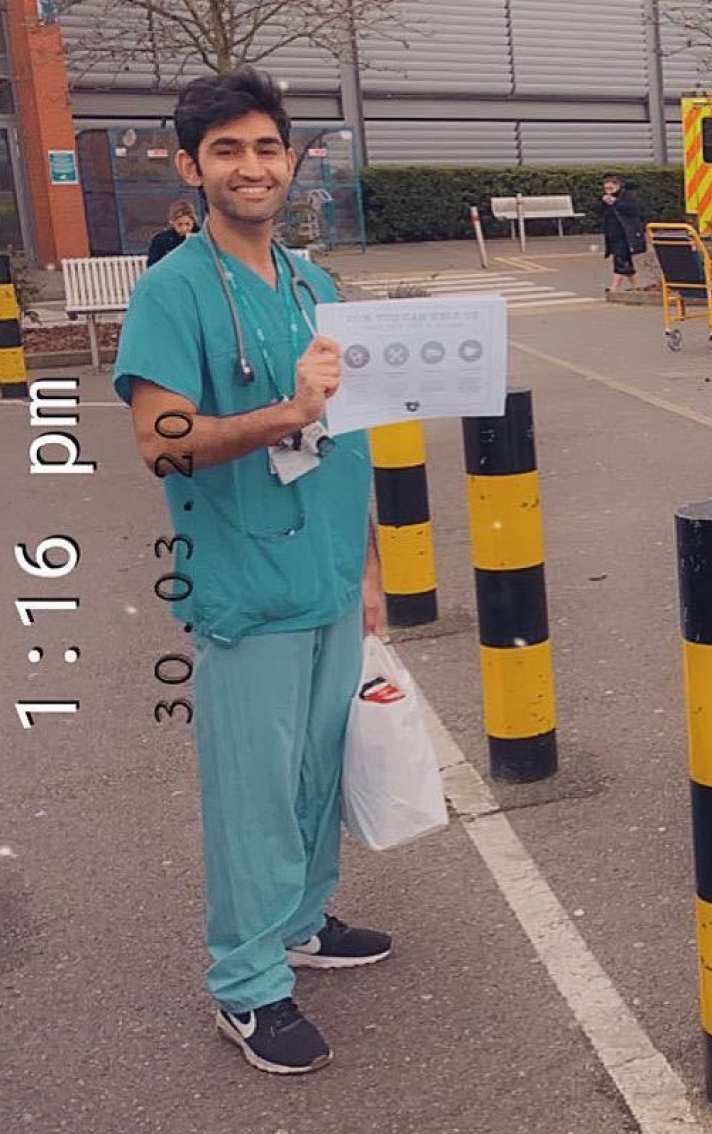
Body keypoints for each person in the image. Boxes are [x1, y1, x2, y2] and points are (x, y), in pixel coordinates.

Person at [113, 68, 391, 1076]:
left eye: (266, 147)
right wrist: (286, 414)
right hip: (244, 588)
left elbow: (352, 436)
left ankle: (304, 921)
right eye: (226, 150)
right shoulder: (173, 291)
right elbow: (161, 442)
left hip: (327, 574)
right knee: (254, 794)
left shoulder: (316, 286)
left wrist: (368, 569)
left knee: (318, 770)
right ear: (192, 169)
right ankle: (246, 981)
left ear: (289, 160)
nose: (251, 166)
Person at [599, 173, 644, 292]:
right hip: (612, 232)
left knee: (620, 258)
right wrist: (604, 202)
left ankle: (614, 287)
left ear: (618, 186)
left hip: (625, 233)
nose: (608, 191)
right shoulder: (606, 198)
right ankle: (636, 285)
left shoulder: (627, 196)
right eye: (606, 188)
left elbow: (633, 210)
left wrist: (615, 202)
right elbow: (603, 213)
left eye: (611, 188)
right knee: (625, 260)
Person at [146, 199, 197, 266]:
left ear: (193, 222)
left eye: (188, 224)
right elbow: (153, 264)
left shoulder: (200, 237)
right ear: (172, 222)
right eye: (179, 224)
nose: (184, 229)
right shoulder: (161, 240)